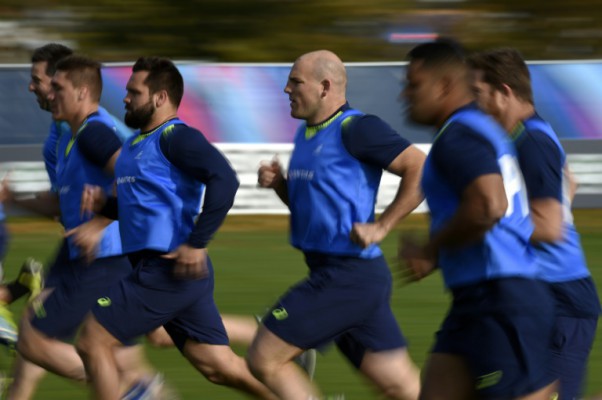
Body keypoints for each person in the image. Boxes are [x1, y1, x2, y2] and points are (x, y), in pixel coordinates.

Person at [74, 56, 278, 400]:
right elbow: (140, 210)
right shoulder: (137, 146)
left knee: (91, 341)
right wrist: (103, 206)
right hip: (172, 272)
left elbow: (224, 180)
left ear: (160, 97)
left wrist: (198, 242)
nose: (125, 98)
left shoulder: (176, 137)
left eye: (133, 92)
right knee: (217, 366)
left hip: (166, 270)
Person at [247, 49, 425, 400]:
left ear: (325, 87)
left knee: (263, 359)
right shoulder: (306, 135)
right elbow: (308, 209)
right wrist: (281, 184)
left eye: (295, 81)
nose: (286, 89)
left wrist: (383, 225)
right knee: (401, 387)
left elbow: (420, 167)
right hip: (350, 278)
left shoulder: (357, 128)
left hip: (346, 277)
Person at [398, 38, 558, 400]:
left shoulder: (459, 135)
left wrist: (431, 250)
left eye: (413, 84)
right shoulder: (476, 128)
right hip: (476, 299)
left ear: (444, 86)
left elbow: (489, 205)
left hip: (502, 298)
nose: (405, 95)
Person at [5, 54, 161, 399]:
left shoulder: (94, 133)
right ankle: (134, 390)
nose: (49, 94)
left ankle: (133, 392)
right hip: (93, 257)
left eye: (57, 88)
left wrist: (101, 222)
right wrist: (13, 198)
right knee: (95, 347)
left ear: (81, 92)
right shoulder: (73, 138)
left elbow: (133, 176)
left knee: (36, 339)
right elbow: (62, 204)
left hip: (107, 258)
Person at [469, 47, 601, 400]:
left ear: (504, 92)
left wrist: (483, 225)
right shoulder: (526, 136)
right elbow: (568, 184)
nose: (475, 106)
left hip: (563, 299)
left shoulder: (533, 143)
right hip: (534, 295)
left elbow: (550, 227)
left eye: (479, 95)